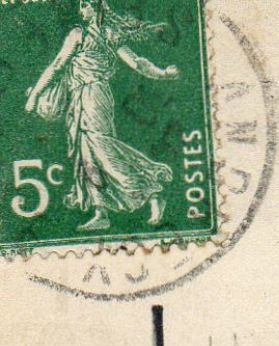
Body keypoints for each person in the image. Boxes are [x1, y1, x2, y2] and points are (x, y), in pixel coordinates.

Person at [24, 0, 178, 231]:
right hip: (79, 98)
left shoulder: (101, 34)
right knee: (87, 154)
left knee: (102, 149)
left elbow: (136, 63)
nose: (80, 10)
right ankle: (101, 212)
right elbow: (57, 66)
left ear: (96, 7)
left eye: (84, 5)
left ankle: (151, 192)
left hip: (95, 96)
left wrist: (162, 73)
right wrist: (35, 95)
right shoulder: (84, 33)